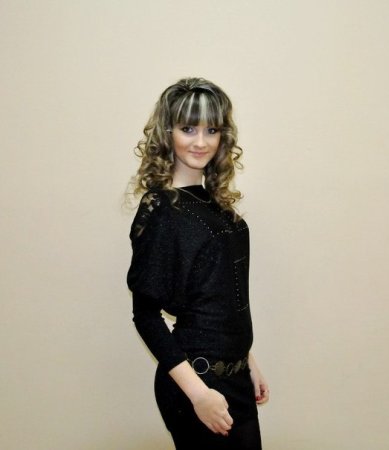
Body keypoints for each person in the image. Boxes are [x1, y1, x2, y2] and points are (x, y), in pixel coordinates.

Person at [127, 77, 269, 449]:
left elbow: (219, 296)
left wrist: (247, 360)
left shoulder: (213, 202)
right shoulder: (162, 209)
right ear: (168, 133)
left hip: (233, 376)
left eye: (212, 130)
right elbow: (145, 315)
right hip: (198, 383)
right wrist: (199, 394)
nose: (201, 142)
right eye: (188, 129)